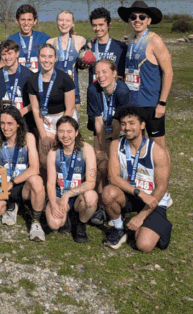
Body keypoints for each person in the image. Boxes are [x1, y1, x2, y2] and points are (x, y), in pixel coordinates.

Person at [102, 106, 172, 252]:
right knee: (108, 192)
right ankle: (119, 228)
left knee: (144, 245)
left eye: (132, 123)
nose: (127, 128)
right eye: (123, 123)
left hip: (153, 200)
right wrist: (139, 193)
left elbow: (161, 188)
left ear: (142, 125)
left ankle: (160, 225)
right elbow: (113, 177)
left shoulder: (157, 151)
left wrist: (141, 216)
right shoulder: (116, 145)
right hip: (133, 194)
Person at [117, 1, 173, 164]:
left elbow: (168, 72)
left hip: (151, 103)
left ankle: (164, 186)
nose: (137, 20)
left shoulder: (155, 40)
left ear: (148, 20)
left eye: (142, 17)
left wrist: (162, 103)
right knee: (136, 144)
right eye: (133, 17)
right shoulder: (132, 40)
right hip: (133, 102)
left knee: (159, 146)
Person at [0, 106, 46, 241]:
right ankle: (11, 206)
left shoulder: (28, 138)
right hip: (5, 186)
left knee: (36, 180)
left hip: (23, 185)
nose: (6, 128)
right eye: (3, 123)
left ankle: (35, 222)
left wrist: (11, 183)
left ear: (18, 124)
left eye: (10, 123)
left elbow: (34, 168)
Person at [86, 58, 132, 225]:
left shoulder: (123, 91)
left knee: (115, 166)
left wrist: (110, 148)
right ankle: (101, 207)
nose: (100, 76)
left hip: (121, 132)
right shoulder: (93, 89)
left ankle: (118, 205)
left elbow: (121, 123)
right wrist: (101, 148)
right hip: (103, 130)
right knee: (100, 163)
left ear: (114, 73)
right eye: (97, 72)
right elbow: (98, 121)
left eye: (104, 72)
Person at [45, 116, 97, 243]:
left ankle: (81, 223)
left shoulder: (86, 149)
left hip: (79, 194)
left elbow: (91, 182)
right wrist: (53, 204)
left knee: (91, 197)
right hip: (59, 193)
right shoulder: (53, 153)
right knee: (54, 224)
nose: (65, 135)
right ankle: (67, 215)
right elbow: (51, 183)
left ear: (76, 132)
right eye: (61, 131)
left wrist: (68, 195)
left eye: (69, 131)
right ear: (57, 133)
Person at [25, 43, 75, 176]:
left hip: (64, 117)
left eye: (50, 56)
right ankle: (47, 190)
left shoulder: (65, 78)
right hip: (45, 119)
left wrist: (60, 131)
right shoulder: (32, 80)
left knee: (62, 154)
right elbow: (35, 109)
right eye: (43, 56)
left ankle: (64, 185)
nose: (46, 60)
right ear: (38, 58)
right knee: (43, 157)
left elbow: (70, 107)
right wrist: (43, 136)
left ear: (55, 59)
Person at [0, 39, 33, 139]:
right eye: (4, 54)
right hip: (4, 125)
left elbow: (35, 101)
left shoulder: (28, 75)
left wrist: (22, 111)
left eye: (10, 53)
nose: (7, 57)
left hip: (23, 123)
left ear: (17, 54)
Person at [47, 10, 87, 111]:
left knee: (72, 123)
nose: (64, 23)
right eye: (61, 20)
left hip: (74, 90)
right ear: (57, 22)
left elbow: (86, 59)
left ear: (73, 23)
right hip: (55, 90)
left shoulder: (80, 41)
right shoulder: (50, 42)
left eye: (68, 20)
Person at [85, 7, 126, 83]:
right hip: (94, 91)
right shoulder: (89, 46)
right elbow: (81, 65)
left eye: (101, 25)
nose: (97, 28)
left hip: (114, 91)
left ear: (109, 25)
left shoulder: (121, 47)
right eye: (94, 25)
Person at [8, 4, 50, 72]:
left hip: (38, 79)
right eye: (23, 20)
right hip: (19, 80)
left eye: (29, 20)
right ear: (17, 21)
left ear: (35, 21)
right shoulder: (11, 40)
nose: (26, 23)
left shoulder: (43, 38)